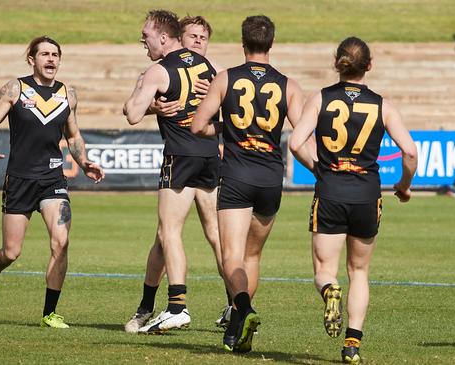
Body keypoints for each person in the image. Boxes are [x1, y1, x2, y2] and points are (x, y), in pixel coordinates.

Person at [289, 37, 418, 364]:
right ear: (369, 65)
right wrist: (403, 186)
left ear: (337, 62)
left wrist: (317, 167)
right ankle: (352, 345)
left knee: (324, 270)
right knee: (359, 271)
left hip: (331, 190)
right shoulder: (382, 104)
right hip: (366, 194)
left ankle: (329, 290)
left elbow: (294, 142)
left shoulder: (320, 98)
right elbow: (411, 152)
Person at [192, 15, 315, 353]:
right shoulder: (288, 85)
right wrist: (323, 170)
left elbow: (198, 126)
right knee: (253, 255)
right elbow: (303, 138)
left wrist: (225, 129)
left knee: (232, 256)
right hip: (270, 177)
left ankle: (243, 308)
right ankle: (235, 330)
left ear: (242, 44)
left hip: (236, 175)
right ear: (271, 44)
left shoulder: (225, 78)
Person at [0, 35, 105, 328]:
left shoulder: (67, 94)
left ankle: (49, 313)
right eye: (44, 54)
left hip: (52, 179)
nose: (51, 59)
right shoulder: (15, 88)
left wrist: (83, 162)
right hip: (20, 179)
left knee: (61, 242)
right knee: (10, 253)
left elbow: (72, 135)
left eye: (55, 55)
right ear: (31, 59)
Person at [123, 10, 223, 334]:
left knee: (169, 233)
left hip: (180, 157)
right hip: (209, 156)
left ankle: (177, 306)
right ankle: (237, 304)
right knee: (212, 235)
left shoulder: (158, 70)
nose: (144, 40)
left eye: (146, 35)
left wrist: (148, 102)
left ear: (163, 37)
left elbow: (132, 115)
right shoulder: (208, 67)